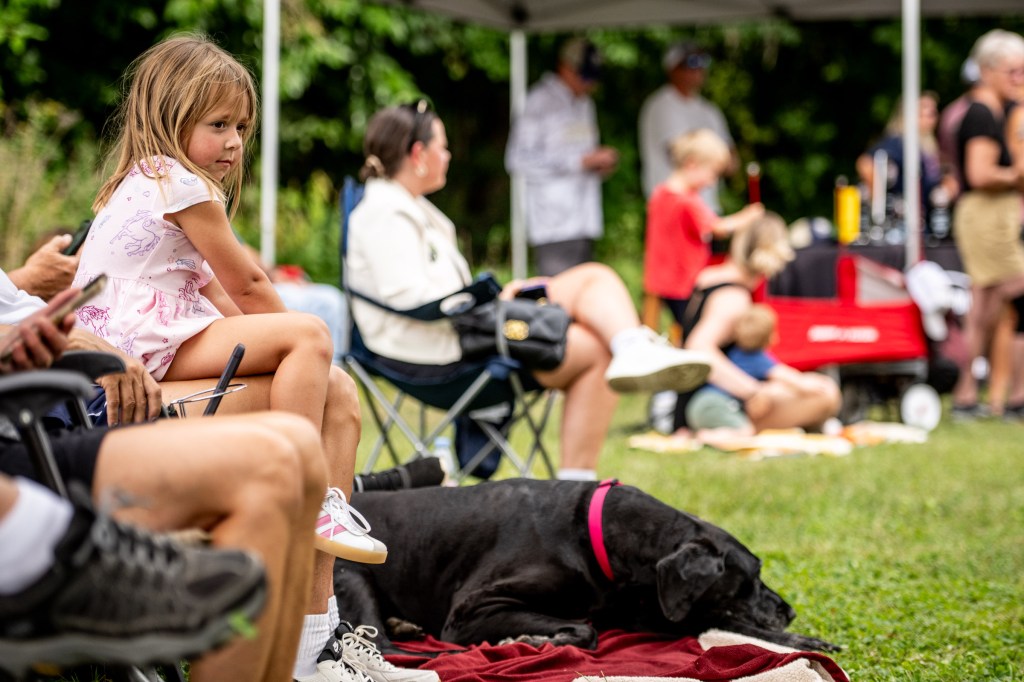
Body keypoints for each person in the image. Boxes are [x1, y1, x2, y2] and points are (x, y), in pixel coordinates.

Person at [68, 34, 409, 682]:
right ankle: (307, 493)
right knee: (312, 339)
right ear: (171, 117)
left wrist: (303, 360)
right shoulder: (176, 181)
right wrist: (303, 346)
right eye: (218, 125)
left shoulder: (143, 183)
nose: (234, 143)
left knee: (331, 384)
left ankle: (317, 642)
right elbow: (251, 288)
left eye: (242, 128)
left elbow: (223, 298)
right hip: (132, 368)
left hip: (149, 344)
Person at [348, 103, 713, 481]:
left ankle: (631, 347)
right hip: (436, 355)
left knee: (594, 281)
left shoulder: (405, 207)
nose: (448, 155)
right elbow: (413, 300)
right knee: (594, 340)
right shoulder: (385, 214)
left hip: (461, 333)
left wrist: (490, 298)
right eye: (442, 146)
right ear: (418, 154)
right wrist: (483, 300)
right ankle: (582, 467)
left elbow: (430, 294)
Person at [0, 288, 320, 681]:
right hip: (29, 437)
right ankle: (54, 552)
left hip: (45, 412)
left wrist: (38, 336)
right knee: (272, 466)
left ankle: (304, 657)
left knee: (301, 447)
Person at [678, 213, 841, 433]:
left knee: (809, 386)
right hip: (715, 404)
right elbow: (698, 348)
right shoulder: (733, 297)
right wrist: (752, 391)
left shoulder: (710, 277)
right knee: (827, 394)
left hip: (701, 399)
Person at [949, 29, 1024, 420]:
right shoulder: (980, 113)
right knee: (992, 301)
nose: (1020, 79)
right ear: (988, 70)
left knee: (987, 305)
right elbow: (978, 173)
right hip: (984, 213)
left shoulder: (997, 110)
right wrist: (1016, 175)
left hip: (991, 213)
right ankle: (980, 393)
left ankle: (971, 395)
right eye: (1013, 71)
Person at [504, 38, 619, 276]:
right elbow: (517, 159)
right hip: (554, 225)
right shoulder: (539, 101)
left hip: (584, 220)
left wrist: (598, 165)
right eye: (585, 76)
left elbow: (582, 154)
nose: (590, 84)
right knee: (558, 294)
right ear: (565, 67)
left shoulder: (585, 104)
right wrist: (579, 162)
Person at [644, 128, 764, 327]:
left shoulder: (660, 193)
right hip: (684, 282)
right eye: (713, 173)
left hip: (658, 277)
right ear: (692, 164)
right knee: (692, 326)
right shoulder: (687, 201)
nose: (712, 182)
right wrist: (746, 217)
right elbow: (717, 228)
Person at [685, 303, 835, 444]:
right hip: (717, 405)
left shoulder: (735, 353)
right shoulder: (758, 358)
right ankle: (705, 437)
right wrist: (804, 384)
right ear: (771, 336)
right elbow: (783, 374)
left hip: (701, 403)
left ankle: (700, 433)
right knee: (746, 432)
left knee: (740, 428)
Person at [638, 41, 736, 212]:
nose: (699, 67)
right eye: (691, 62)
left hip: (707, 207)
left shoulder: (710, 110)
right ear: (672, 69)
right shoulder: (661, 105)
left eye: (703, 60)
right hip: (674, 208)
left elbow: (731, 162)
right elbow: (680, 154)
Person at [855, 91, 957, 239]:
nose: (931, 117)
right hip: (902, 228)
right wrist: (878, 203)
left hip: (927, 226)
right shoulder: (899, 142)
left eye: (933, 112)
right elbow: (865, 164)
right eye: (924, 111)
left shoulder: (929, 146)